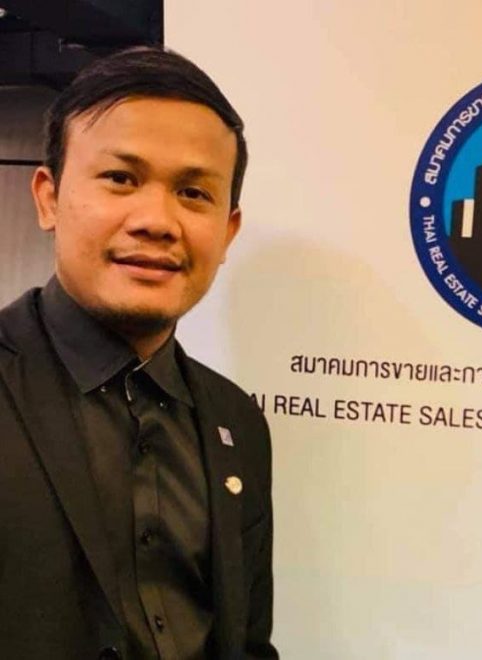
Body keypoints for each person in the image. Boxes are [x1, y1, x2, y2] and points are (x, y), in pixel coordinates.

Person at [0, 47, 278, 660]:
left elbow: (247, 641)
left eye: (193, 192)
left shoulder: (237, 421)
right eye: (121, 179)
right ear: (48, 198)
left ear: (227, 231)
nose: (156, 220)